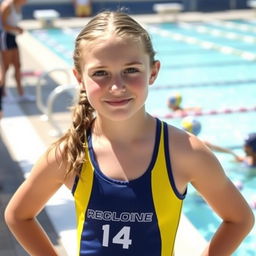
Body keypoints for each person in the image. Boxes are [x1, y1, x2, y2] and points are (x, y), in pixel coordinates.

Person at [4, 11, 254, 256]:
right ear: (79, 77)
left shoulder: (185, 152)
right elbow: (18, 216)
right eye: (100, 73)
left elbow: (239, 219)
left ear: (153, 72)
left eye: (131, 70)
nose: (116, 87)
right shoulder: (71, 152)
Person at [0, 0, 35, 103]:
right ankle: (3, 94)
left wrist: (16, 29)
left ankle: (21, 93)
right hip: (5, 37)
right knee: (5, 68)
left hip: (12, 37)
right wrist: (17, 28)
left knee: (17, 65)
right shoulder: (7, 6)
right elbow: (3, 25)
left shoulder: (18, 5)